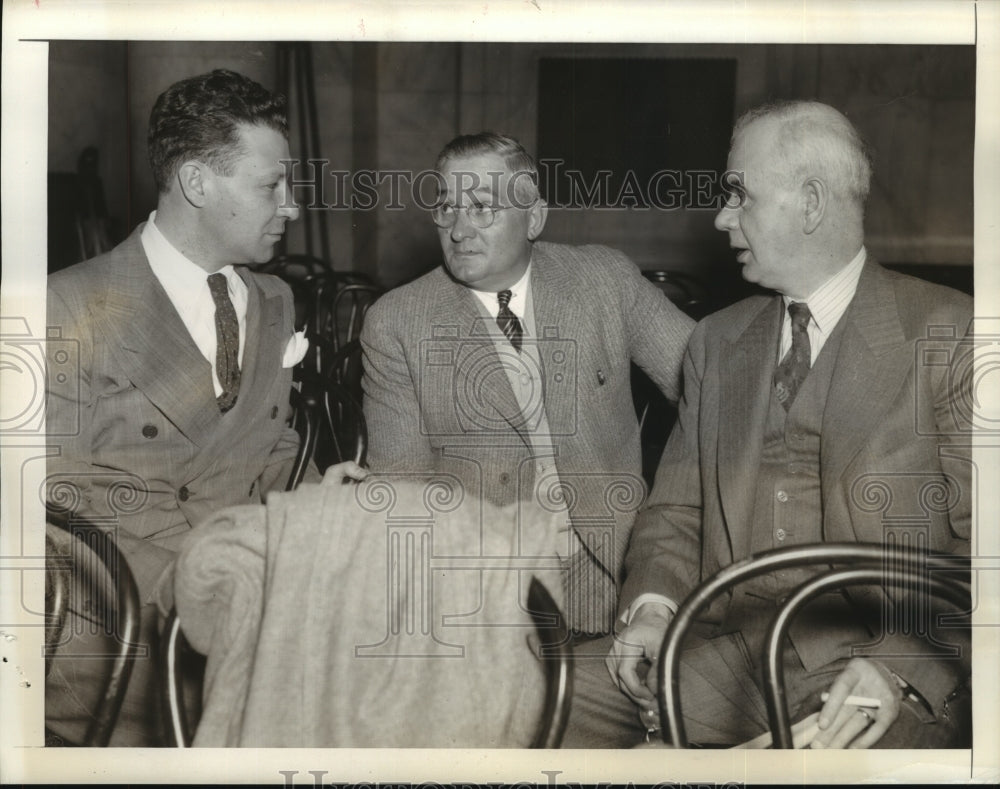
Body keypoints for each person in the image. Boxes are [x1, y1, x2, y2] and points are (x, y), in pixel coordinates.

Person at [562, 100, 973, 748]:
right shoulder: (716, 343)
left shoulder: (951, 334)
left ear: (810, 203)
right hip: (726, 652)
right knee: (539, 696)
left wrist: (899, 666)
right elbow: (676, 513)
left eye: (738, 194)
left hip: (887, 663)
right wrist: (653, 609)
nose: (722, 217)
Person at [44, 69, 330, 746]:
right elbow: (58, 500)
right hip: (123, 639)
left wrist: (334, 513)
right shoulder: (66, 305)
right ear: (198, 183)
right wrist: (224, 587)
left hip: (250, 604)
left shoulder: (273, 300)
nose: (291, 207)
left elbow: (275, 449)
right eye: (271, 186)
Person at [361, 133, 694, 635]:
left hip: (617, 571)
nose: (459, 230)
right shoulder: (397, 321)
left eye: (482, 208)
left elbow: (711, 387)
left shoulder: (604, 279)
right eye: (447, 208)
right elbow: (402, 486)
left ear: (534, 218)